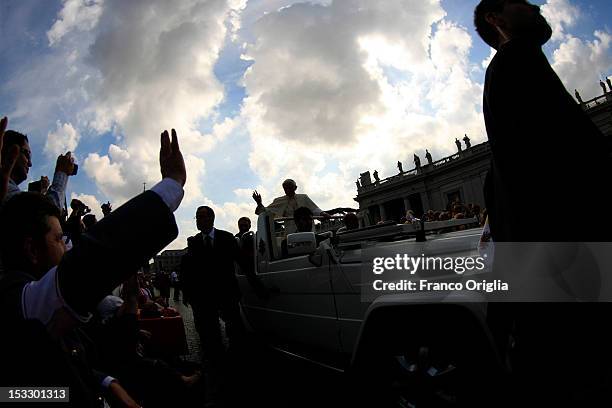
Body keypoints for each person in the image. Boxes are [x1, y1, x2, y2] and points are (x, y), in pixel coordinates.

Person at [475, 1, 612, 404]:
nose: (535, 4)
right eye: (521, 0)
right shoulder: (516, 64)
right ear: (496, 19)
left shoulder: (514, 67)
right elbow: (577, 161)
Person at [0, 128, 186, 407]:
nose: (68, 247)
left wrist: (105, 383)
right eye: (59, 239)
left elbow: (80, 357)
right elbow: (87, 266)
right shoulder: (13, 299)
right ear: (31, 249)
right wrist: (171, 185)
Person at [181, 206, 245, 368]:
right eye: (197, 217)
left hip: (227, 293)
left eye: (202, 216)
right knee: (210, 334)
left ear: (211, 218)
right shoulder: (194, 242)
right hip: (204, 297)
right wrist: (188, 294)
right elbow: (189, 271)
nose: (199, 220)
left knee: (235, 331)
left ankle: (237, 360)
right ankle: (216, 364)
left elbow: (243, 263)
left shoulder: (227, 238)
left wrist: (259, 288)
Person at [1, 127, 75, 210]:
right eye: (27, 154)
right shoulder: (7, 191)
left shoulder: (10, 192)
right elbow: (45, 213)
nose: (30, 163)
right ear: (11, 151)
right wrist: (62, 172)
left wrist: (42, 190)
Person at [252, 179, 329, 233]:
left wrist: (323, 214)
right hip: (291, 230)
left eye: (289, 187)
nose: (287, 190)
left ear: (295, 188)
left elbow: (314, 209)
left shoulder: (304, 197)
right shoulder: (279, 201)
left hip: (307, 229)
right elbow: (267, 212)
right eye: (285, 188)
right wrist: (259, 203)